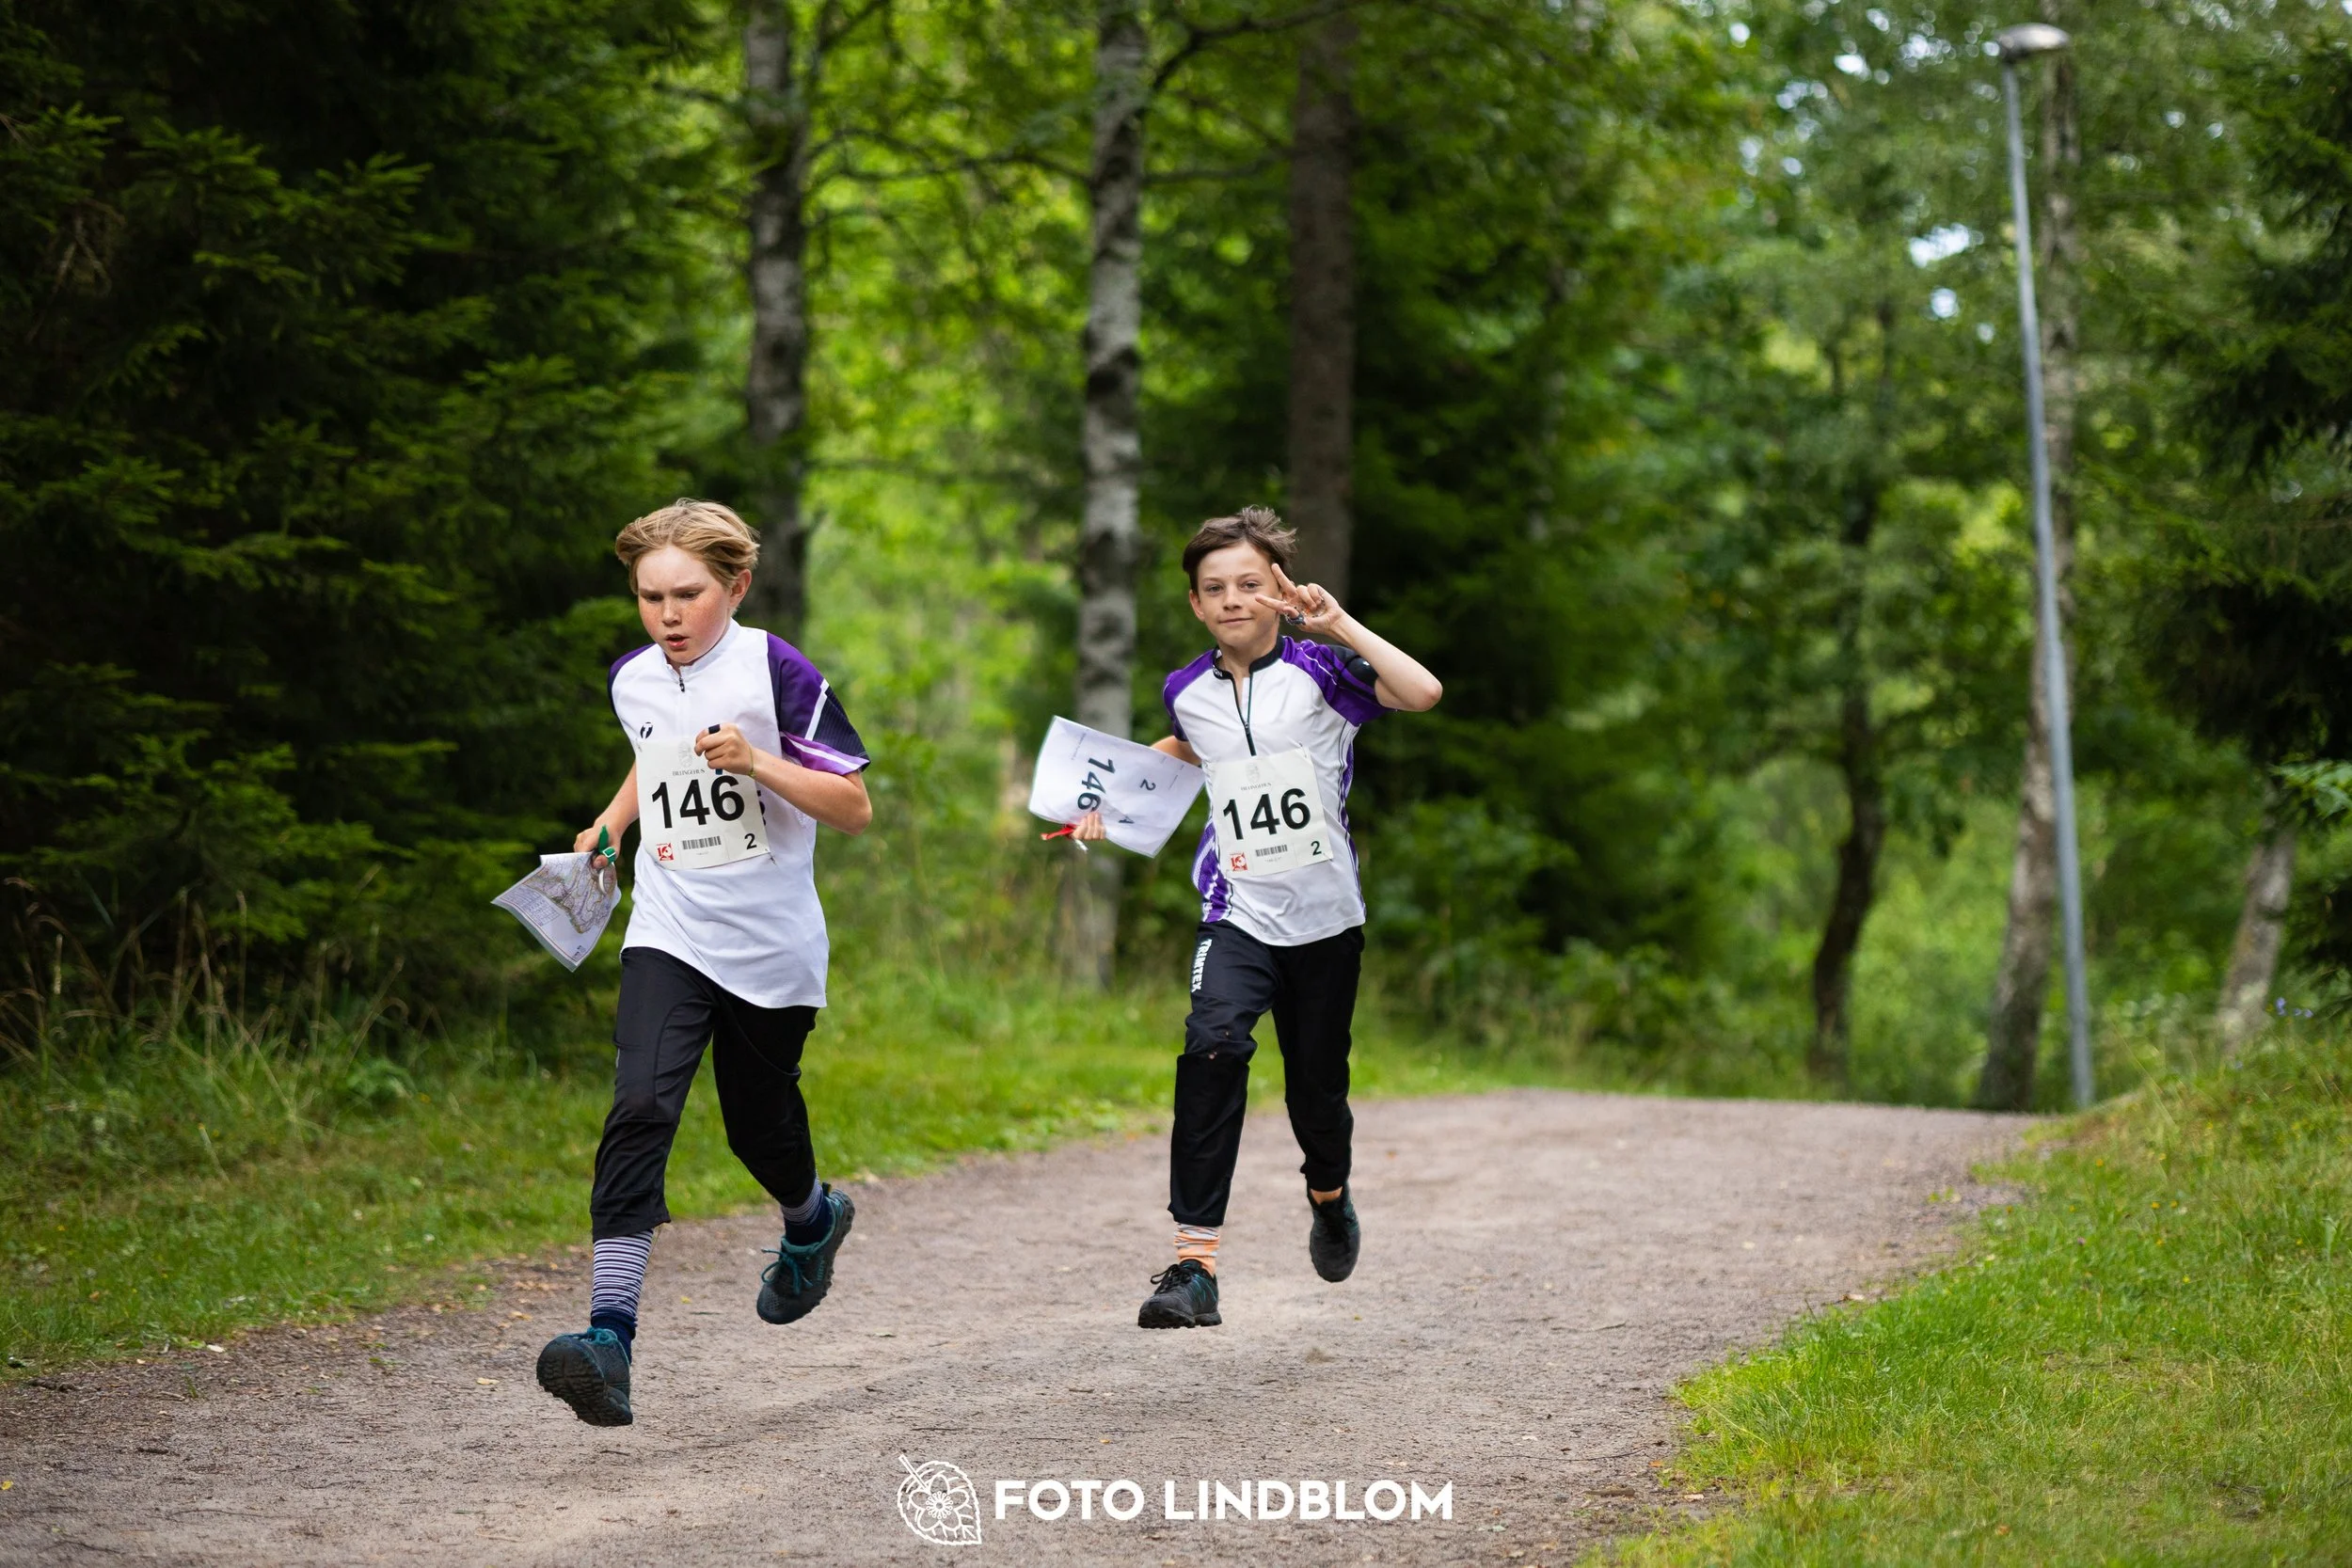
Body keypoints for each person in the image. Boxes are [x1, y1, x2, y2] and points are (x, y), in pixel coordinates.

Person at [534, 499, 873, 1426]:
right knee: (641, 1102)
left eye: (687, 594)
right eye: (649, 597)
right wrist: (611, 825)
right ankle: (608, 1338)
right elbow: (653, 755)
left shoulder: (775, 667)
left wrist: (759, 763)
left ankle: (812, 1218)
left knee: (758, 1131)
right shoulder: (633, 678)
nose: (668, 615)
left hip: (770, 947)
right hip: (669, 928)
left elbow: (852, 807)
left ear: (735, 584)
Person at [1073, 506, 1441, 1329]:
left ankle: (1330, 1194)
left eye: (1249, 583)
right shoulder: (1186, 690)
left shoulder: (1323, 672)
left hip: (1326, 923)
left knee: (1317, 1093)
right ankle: (1194, 1266)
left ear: (1279, 591)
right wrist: (1104, 804)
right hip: (1236, 913)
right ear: (1197, 606)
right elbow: (1185, 750)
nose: (1233, 598)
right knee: (1212, 1044)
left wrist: (1338, 622)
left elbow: (1421, 691)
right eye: (1215, 589)